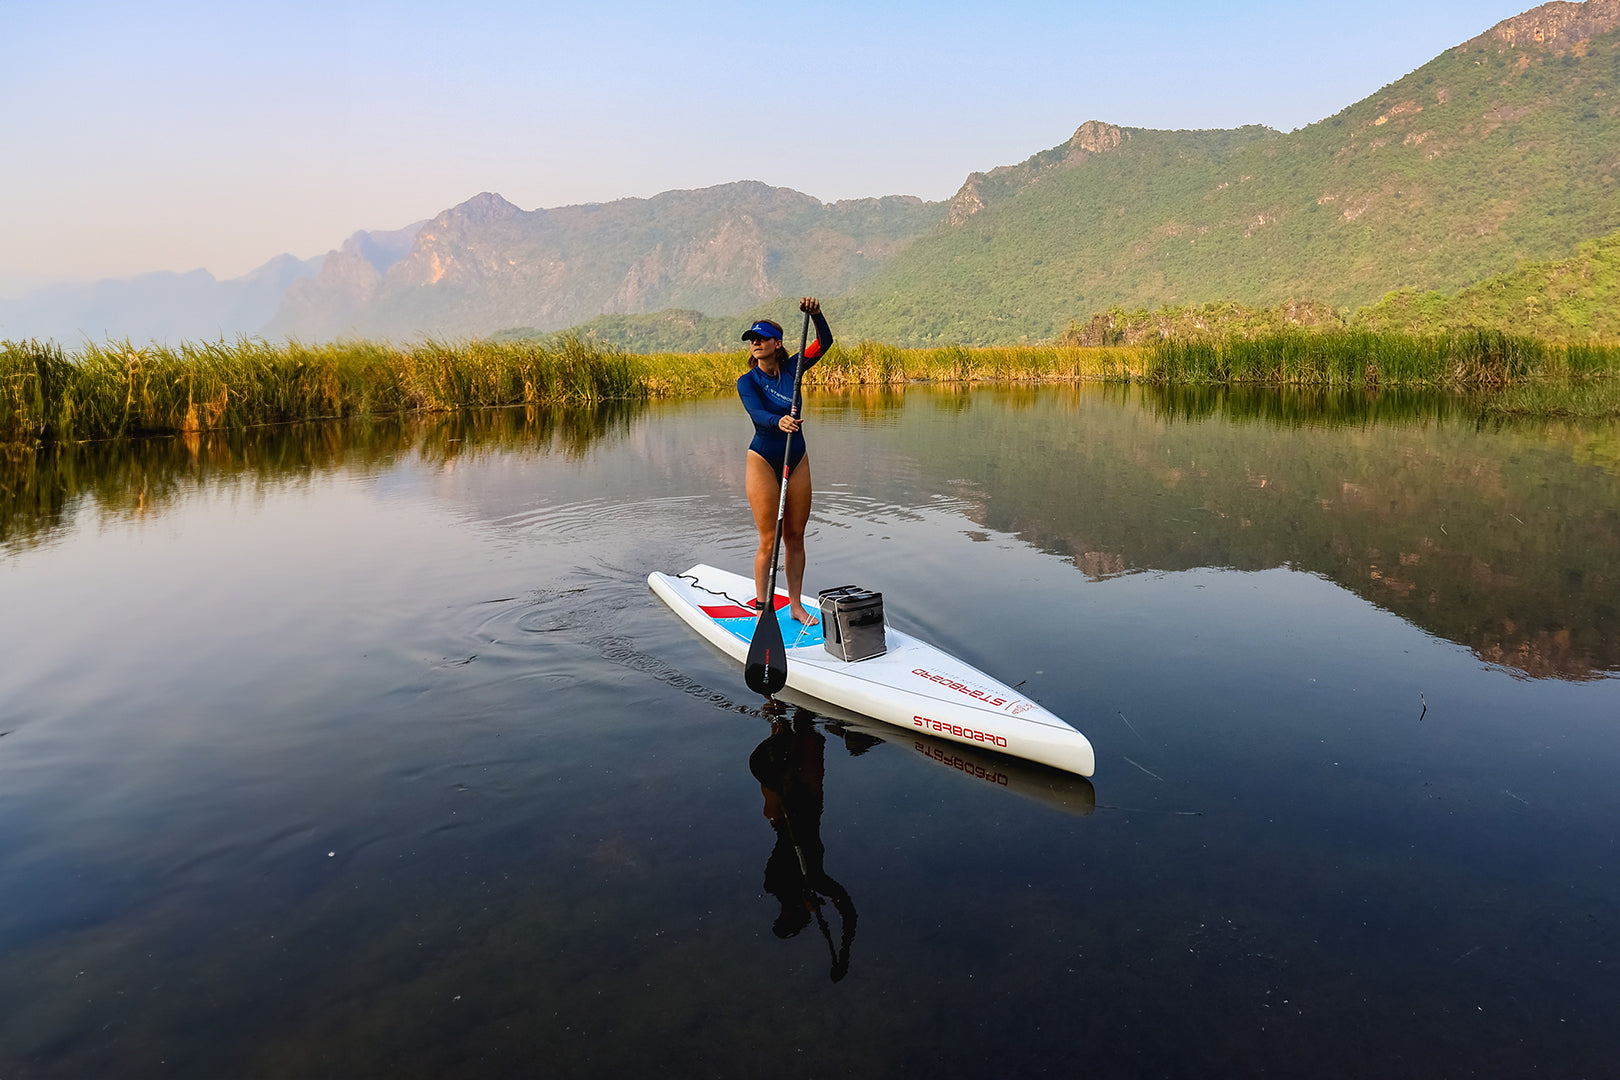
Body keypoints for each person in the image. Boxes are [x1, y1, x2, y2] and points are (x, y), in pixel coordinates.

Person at [736, 297, 833, 623]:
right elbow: (757, 413)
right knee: (769, 539)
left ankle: (794, 605)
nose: (756, 344)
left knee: (795, 536)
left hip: (797, 455)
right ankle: (764, 605)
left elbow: (824, 343)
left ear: (777, 344)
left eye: (761, 338)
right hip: (763, 457)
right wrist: (778, 422)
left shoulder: (794, 367)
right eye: (752, 340)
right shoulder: (747, 381)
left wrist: (816, 315)